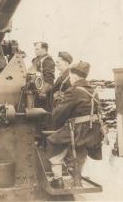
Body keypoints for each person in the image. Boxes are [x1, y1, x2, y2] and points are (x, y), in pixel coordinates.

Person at [46, 61, 103, 189]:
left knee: (53, 141)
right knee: (79, 150)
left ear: (75, 76)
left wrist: (53, 122)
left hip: (77, 130)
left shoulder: (74, 91)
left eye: (70, 76)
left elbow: (58, 114)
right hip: (92, 132)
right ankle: (77, 180)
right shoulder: (92, 91)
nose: (70, 79)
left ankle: (57, 179)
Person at [30, 42, 55, 113]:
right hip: (33, 92)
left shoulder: (48, 61)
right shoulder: (36, 60)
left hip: (41, 95)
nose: (35, 51)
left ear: (44, 49)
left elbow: (49, 80)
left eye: (37, 49)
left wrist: (43, 92)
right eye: (35, 49)